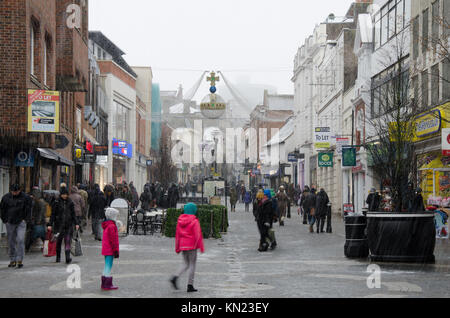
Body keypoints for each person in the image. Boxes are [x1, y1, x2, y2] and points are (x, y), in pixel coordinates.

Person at [170, 203, 205, 293]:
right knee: (192, 264)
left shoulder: (180, 220)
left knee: (185, 263)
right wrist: (201, 246)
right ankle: (190, 285)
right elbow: (198, 235)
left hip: (183, 245)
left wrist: (177, 247)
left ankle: (175, 276)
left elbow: (177, 235)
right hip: (192, 245)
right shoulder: (194, 221)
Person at [1, 184, 32, 268]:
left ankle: (19, 259)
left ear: (19, 190)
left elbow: (29, 209)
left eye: (16, 191)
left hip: (21, 221)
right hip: (10, 221)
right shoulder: (6, 198)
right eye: (13, 191)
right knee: (11, 241)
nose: (14, 193)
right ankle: (12, 259)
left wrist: (26, 219)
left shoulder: (26, 197)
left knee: (20, 239)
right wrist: (5, 220)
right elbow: (2, 209)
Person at [48, 187, 80, 264]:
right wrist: (50, 224)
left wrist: (76, 223)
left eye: (66, 194)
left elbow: (73, 214)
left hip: (68, 225)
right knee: (58, 241)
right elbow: (53, 214)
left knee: (67, 241)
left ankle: (67, 257)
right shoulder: (56, 202)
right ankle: (58, 257)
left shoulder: (70, 202)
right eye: (63, 194)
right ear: (60, 194)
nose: (64, 196)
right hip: (58, 225)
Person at [101, 208, 120, 291]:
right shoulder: (112, 226)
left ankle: (104, 283)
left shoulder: (107, 225)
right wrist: (115, 250)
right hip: (110, 250)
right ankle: (107, 284)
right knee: (108, 266)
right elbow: (114, 240)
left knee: (106, 266)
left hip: (106, 249)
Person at [26, 187, 47, 252]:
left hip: (39, 221)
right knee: (41, 235)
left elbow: (41, 212)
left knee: (35, 234)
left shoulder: (40, 202)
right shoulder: (37, 201)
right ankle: (46, 247)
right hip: (38, 221)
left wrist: (38, 220)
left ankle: (27, 247)